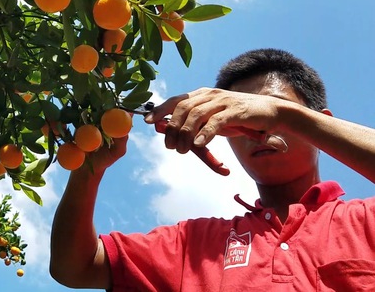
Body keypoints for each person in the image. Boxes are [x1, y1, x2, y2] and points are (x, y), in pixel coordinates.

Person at [49, 48, 375, 291]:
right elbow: (75, 267)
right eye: (243, 118)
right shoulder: (194, 244)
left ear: (321, 123)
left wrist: (282, 114)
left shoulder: (365, 220)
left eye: (265, 114)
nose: (259, 129)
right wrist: (89, 167)